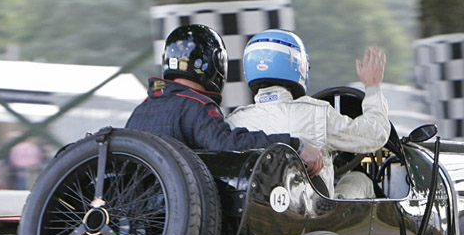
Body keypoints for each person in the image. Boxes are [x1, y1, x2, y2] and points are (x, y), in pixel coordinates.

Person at [125, 24, 323, 176]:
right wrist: (294, 144)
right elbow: (227, 145)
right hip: (184, 216)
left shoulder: (141, 110)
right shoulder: (196, 106)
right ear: (214, 64)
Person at [226, 29, 390, 199]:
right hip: (314, 218)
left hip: (256, 215)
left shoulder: (233, 122)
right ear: (298, 65)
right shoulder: (316, 113)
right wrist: (372, 87)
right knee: (360, 180)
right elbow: (375, 134)